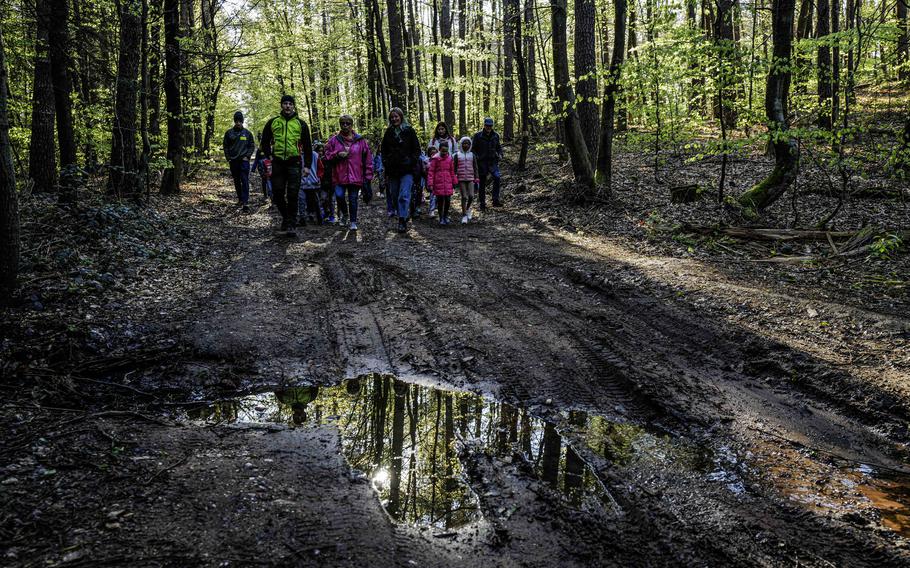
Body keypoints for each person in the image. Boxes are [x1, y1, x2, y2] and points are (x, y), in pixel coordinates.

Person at [260, 95, 313, 235]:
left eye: (290, 103)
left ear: (293, 106)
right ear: (281, 106)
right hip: (277, 163)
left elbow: (308, 147)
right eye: (285, 103)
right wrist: (269, 156)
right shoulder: (273, 122)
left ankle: (291, 225)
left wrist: (307, 165)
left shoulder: (301, 124)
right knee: (276, 193)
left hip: (294, 163)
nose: (287, 106)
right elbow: (264, 141)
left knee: (293, 194)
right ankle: (286, 218)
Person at [323, 115, 373, 231]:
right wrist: (337, 154)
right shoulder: (334, 140)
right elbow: (326, 155)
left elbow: (368, 159)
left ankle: (353, 221)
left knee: (353, 198)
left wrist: (368, 175)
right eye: (343, 123)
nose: (345, 125)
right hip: (339, 176)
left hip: (356, 175)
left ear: (352, 125)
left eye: (348, 123)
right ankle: (345, 214)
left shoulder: (360, 141)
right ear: (340, 125)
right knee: (339, 195)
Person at [381, 107, 422, 234]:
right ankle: (402, 213)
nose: (394, 119)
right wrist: (386, 162)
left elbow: (417, 150)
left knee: (403, 195)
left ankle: (402, 220)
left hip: (407, 170)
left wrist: (411, 161)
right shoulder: (388, 132)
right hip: (393, 170)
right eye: (392, 117)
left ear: (401, 117)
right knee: (394, 196)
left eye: (396, 116)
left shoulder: (409, 131)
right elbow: (383, 151)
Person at [223, 111, 256, 212]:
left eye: (240, 121)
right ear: (234, 121)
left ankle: (245, 202)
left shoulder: (247, 133)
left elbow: (252, 145)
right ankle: (240, 199)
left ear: (242, 121)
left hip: (244, 161)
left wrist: (247, 156)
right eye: (236, 121)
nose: (238, 123)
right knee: (237, 181)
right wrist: (228, 157)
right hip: (233, 161)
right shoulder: (229, 133)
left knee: (244, 180)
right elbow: (225, 146)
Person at [472, 117, 503, 211]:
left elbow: (499, 147)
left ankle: (495, 200)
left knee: (497, 177)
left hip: (493, 162)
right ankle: (482, 203)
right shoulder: (477, 136)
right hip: (482, 162)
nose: (488, 127)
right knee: (482, 183)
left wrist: (500, 155)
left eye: (490, 125)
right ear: (484, 125)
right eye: (487, 125)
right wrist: (476, 157)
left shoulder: (496, 135)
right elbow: (473, 149)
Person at [427, 142, 456, 225]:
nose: (444, 153)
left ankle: (445, 216)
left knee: (447, 200)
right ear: (439, 150)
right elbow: (431, 172)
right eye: (443, 151)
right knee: (440, 201)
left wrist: (454, 181)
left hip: (448, 182)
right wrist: (430, 184)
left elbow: (452, 171)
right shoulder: (435, 159)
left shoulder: (450, 159)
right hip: (438, 183)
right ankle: (441, 218)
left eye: (446, 151)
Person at [453, 137, 480, 224]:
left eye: (468, 143)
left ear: (470, 145)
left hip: (471, 178)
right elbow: (454, 167)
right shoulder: (457, 155)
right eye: (464, 143)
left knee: (471, 196)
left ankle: (468, 209)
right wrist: (454, 177)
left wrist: (477, 177)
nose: (466, 145)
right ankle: (464, 215)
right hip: (461, 179)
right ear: (461, 144)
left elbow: (475, 167)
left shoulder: (472, 155)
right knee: (464, 197)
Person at [299, 142, 324, 225]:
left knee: (316, 201)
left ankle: (320, 219)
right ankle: (302, 219)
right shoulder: (297, 155)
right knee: (301, 200)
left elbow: (320, 168)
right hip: (302, 183)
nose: (302, 147)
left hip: (313, 182)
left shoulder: (314, 155)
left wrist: (319, 177)